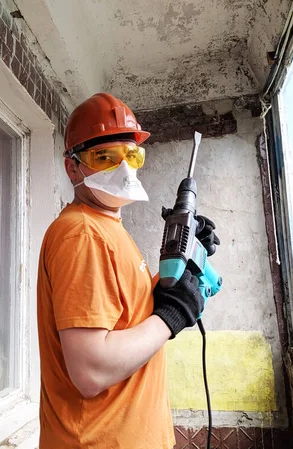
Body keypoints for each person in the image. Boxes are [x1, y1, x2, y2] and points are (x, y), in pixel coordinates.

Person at [36, 92, 219, 449]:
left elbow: (128, 314)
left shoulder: (107, 228)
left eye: (132, 155)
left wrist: (183, 263)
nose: (123, 168)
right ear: (72, 166)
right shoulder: (83, 234)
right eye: (103, 157)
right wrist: (173, 314)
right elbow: (91, 371)